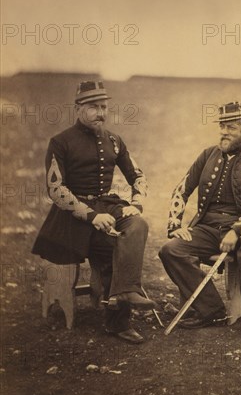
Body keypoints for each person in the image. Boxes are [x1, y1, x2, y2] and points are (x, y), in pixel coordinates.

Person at [32, 80, 154, 344]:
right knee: (113, 247)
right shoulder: (61, 142)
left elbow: (138, 176)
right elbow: (55, 189)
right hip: (70, 218)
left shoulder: (114, 140)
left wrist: (137, 203)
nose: (100, 112)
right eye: (93, 107)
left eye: (104, 107)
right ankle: (119, 315)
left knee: (138, 224)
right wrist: (91, 216)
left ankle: (123, 296)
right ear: (78, 109)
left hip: (106, 206)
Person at [159, 102, 241, 343]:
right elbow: (181, 190)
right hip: (207, 228)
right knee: (171, 250)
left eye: (231, 127)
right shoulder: (207, 155)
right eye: (222, 126)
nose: (224, 132)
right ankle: (211, 309)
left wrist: (237, 230)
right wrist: (175, 226)